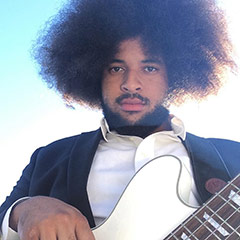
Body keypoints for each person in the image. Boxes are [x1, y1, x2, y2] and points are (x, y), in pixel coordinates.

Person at [1, 0, 240, 239]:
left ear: (175, 75)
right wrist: (21, 212)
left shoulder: (233, 154)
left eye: (149, 68)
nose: (130, 84)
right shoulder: (49, 158)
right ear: (94, 73)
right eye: (116, 68)